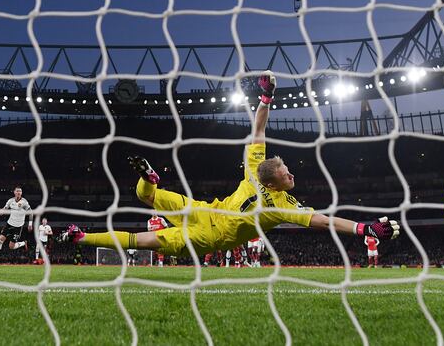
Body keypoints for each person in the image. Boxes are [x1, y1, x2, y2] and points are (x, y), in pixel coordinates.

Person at [59, 72, 400, 257]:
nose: (290, 172)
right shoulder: (280, 206)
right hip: (208, 233)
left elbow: (259, 129)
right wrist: (363, 228)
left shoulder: (255, 169)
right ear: (274, 182)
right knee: (144, 240)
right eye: (286, 172)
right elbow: (323, 221)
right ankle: (84, 235)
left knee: (148, 198)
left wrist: (265, 98)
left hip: (205, 209)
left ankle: (91, 228)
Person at [0, 186, 33, 264]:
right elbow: (5, 208)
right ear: (14, 192)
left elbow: (30, 213)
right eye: (17, 191)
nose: (18, 192)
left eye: (20, 191)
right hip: (9, 224)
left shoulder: (24, 202)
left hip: (18, 226)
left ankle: (24, 243)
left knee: (11, 247)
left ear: (21, 193)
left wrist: (30, 224)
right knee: (0, 240)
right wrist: (1, 211)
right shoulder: (10, 201)